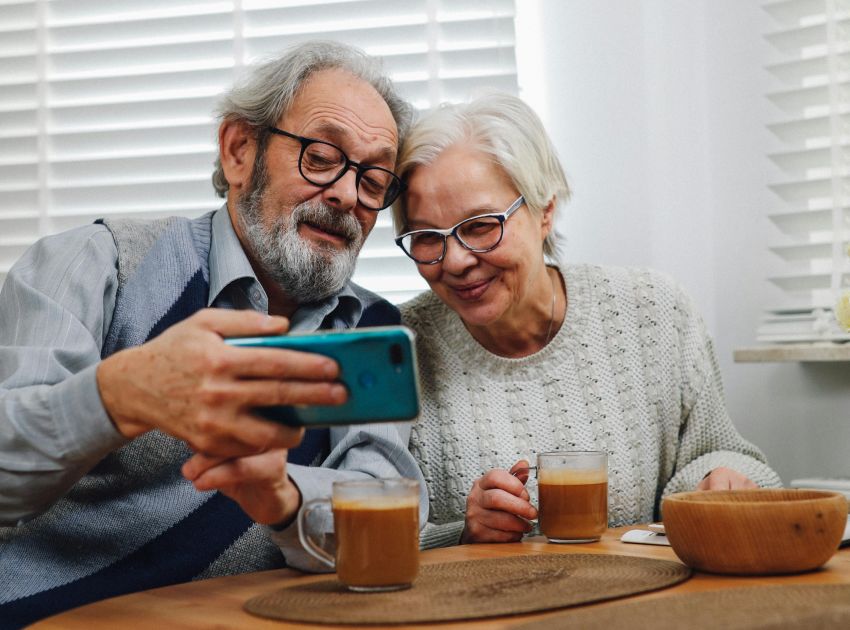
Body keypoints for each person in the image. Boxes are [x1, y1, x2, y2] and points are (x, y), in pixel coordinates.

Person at [0, 41, 427, 627]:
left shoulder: (369, 332)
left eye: (374, 178)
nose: (348, 195)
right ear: (238, 151)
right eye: (322, 156)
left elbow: (390, 507)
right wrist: (118, 395)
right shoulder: (96, 264)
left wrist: (285, 498)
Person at [391, 93, 782, 548]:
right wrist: (462, 532)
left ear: (545, 209)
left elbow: (722, 452)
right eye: (425, 237)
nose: (454, 261)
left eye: (480, 226)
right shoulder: (398, 349)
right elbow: (355, 537)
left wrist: (720, 479)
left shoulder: (653, 312)